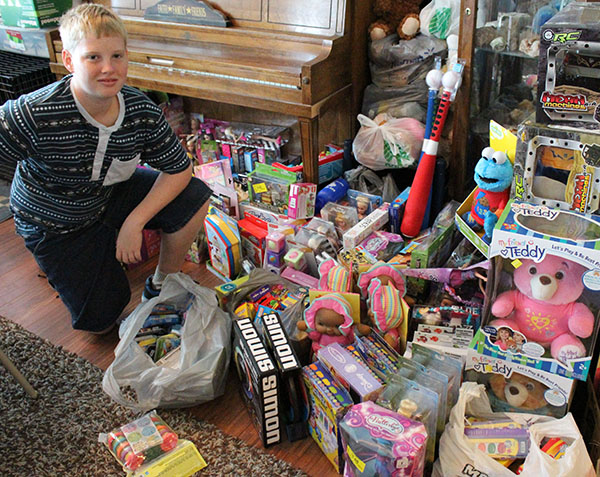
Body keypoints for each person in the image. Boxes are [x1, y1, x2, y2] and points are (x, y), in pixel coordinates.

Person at [0, 4, 212, 334]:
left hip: (105, 195)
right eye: (93, 58)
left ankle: (161, 284)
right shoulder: (32, 112)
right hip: (55, 223)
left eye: (117, 56)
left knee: (194, 195)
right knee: (101, 322)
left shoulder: (140, 110)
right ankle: (69, 265)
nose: (108, 68)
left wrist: (134, 222)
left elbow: (179, 170)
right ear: (69, 61)